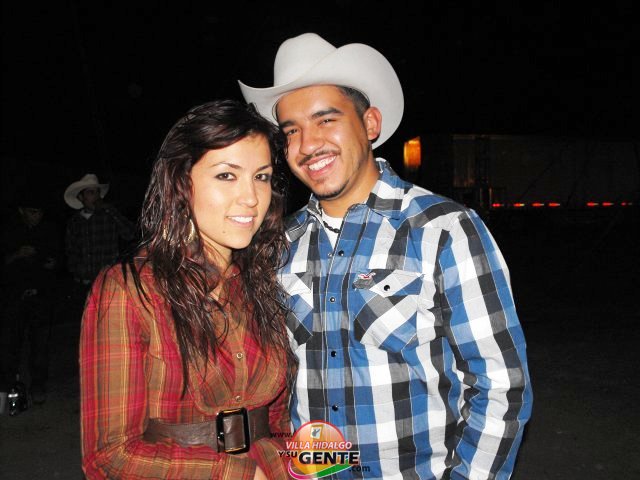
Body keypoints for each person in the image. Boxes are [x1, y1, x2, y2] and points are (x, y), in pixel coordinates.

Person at [239, 32, 533, 479]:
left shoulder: (442, 229)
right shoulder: (280, 244)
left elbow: (500, 385)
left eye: (325, 120)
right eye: (291, 131)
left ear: (370, 124)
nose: (307, 145)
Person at [79, 99, 295, 479]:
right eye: (226, 175)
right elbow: (109, 456)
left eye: (261, 177)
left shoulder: (262, 283)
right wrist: (238, 475)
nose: (251, 198)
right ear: (181, 182)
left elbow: (277, 421)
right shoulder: (130, 290)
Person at [0, 188, 62, 406]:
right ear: (22, 211)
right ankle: (7, 388)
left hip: (41, 298)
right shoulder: (9, 231)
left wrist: (52, 264)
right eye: (33, 212)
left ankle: (38, 387)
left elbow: (59, 261)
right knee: (9, 346)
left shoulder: (49, 230)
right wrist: (17, 254)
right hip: (14, 298)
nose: (37, 216)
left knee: (40, 346)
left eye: (40, 212)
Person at [63, 173, 136, 319]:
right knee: (86, 322)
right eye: (91, 193)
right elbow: (70, 251)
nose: (96, 197)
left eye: (97, 192)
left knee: (109, 321)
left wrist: (110, 210)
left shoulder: (109, 216)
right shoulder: (74, 222)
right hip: (83, 284)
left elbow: (130, 234)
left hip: (108, 282)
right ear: (81, 197)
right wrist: (77, 271)